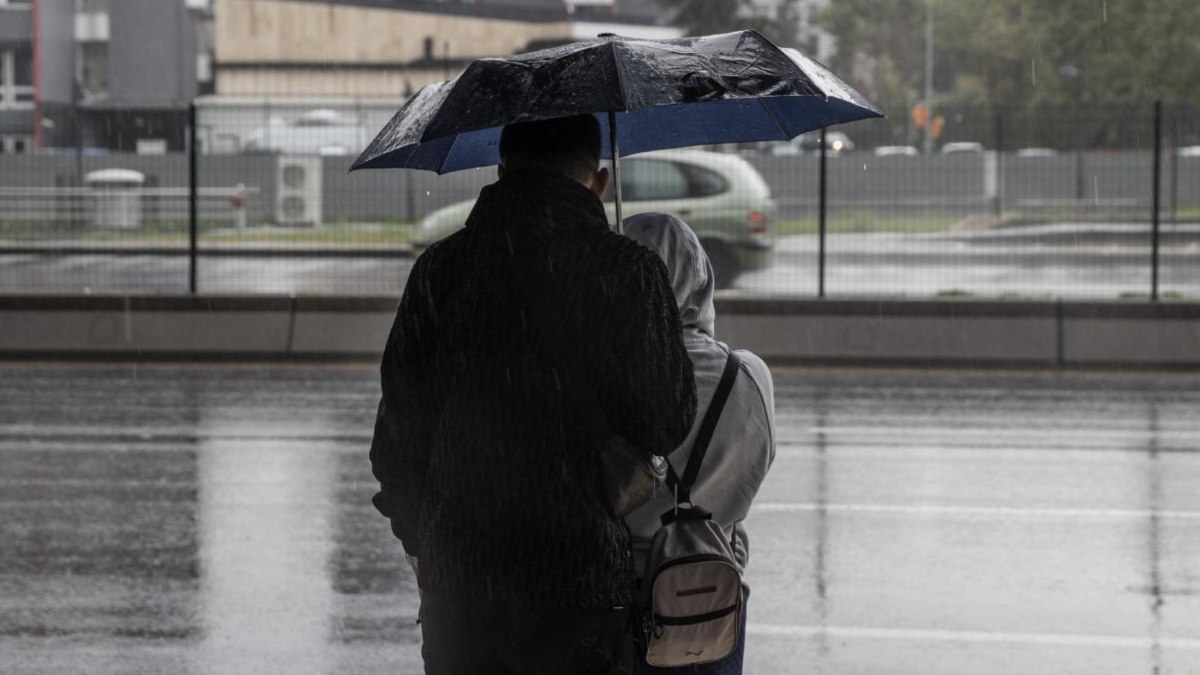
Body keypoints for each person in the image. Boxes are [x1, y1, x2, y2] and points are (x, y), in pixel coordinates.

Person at [368, 114, 697, 675]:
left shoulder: (440, 269)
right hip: (583, 581)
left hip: (463, 583)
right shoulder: (628, 270)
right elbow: (667, 419)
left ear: (500, 171)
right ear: (599, 182)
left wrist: (421, 542)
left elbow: (397, 439)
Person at [622, 213, 776, 675]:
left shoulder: (602, 380)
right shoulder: (748, 375)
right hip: (715, 600)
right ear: (701, 276)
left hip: (624, 605)